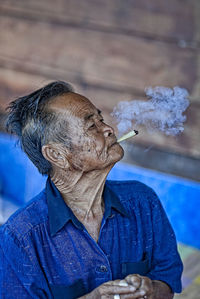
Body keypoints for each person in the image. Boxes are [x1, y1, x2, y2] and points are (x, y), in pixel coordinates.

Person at [0, 81, 183, 299]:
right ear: (57, 155)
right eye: (91, 126)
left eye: (101, 120)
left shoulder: (142, 201)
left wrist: (151, 290)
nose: (108, 129)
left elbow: (168, 278)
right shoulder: (22, 236)